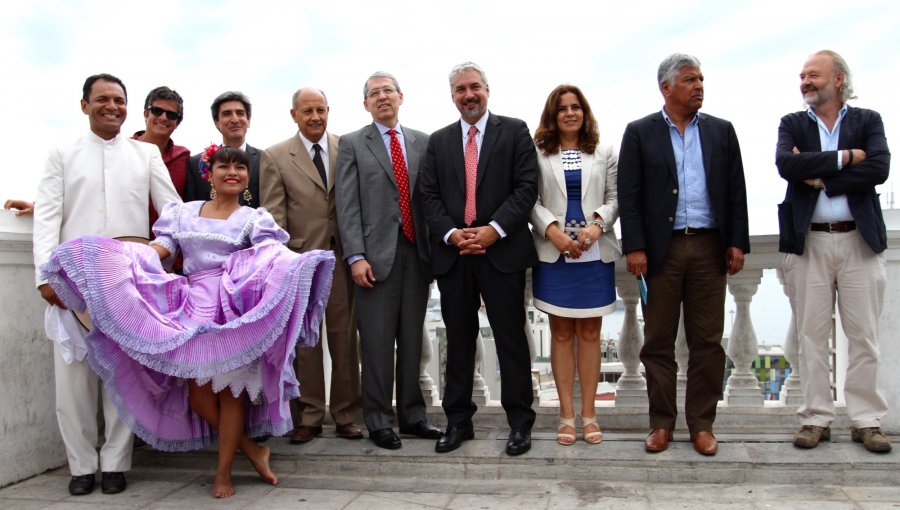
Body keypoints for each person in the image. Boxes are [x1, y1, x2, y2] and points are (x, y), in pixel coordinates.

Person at [41, 146, 336, 498]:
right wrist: (120, 258)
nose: (232, 172)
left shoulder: (255, 218)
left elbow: (270, 256)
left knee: (231, 395)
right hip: (192, 308)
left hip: (233, 310)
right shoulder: (182, 213)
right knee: (198, 396)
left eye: (239, 167)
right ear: (208, 174)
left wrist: (302, 264)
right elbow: (161, 248)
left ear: (246, 177)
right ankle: (253, 450)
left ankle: (223, 473)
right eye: (223, 166)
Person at [32, 73, 182, 496]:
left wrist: (160, 251)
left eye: (119, 100)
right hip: (72, 282)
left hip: (126, 282)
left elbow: (171, 214)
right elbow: (47, 217)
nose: (111, 106)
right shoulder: (62, 153)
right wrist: (45, 277)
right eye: (102, 99)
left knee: (121, 376)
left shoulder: (144, 155)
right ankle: (80, 466)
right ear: (85, 105)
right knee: (74, 380)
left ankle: (116, 463)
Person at [618, 54, 750, 456]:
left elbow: (735, 189)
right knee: (657, 340)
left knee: (707, 342)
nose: (699, 86)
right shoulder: (639, 132)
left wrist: (737, 242)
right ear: (666, 87)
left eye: (701, 79)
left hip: (710, 248)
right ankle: (661, 424)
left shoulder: (721, 131)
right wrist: (635, 247)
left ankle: (702, 425)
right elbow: (630, 193)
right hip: (661, 252)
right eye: (690, 80)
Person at [420, 62, 539, 456]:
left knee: (510, 339)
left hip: (501, 252)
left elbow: (526, 188)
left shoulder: (515, 130)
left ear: (488, 89)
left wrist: (494, 229)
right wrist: (454, 235)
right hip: (455, 256)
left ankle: (520, 423)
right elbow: (429, 197)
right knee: (458, 340)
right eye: (460, 90)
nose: (468, 95)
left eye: (474, 87)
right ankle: (458, 422)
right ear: (452, 96)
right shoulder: (438, 142)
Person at [776, 50, 892, 453]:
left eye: (813, 75)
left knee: (864, 335)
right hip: (810, 241)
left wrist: (823, 179)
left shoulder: (867, 121)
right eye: (802, 76)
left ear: (838, 79)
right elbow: (785, 166)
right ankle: (815, 418)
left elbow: (878, 169)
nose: (805, 82)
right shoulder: (792, 124)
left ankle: (866, 419)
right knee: (811, 335)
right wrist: (845, 159)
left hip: (859, 240)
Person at [335, 72, 441, 450]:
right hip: (374, 260)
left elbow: (431, 199)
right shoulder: (351, 144)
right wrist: (355, 256)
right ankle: (378, 419)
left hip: (417, 255)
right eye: (373, 93)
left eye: (388, 91)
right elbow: (346, 206)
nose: (382, 98)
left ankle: (413, 416)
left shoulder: (423, 143)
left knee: (413, 342)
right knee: (377, 344)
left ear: (401, 97)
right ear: (365, 104)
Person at [260, 88, 364, 443]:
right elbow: (274, 213)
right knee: (305, 342)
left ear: (329, 111)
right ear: (294, 115)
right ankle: (310, 415)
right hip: (300, 261)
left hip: (340, 258)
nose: (315, 117)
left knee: (344, 338)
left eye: (321, 109)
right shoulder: (275, 156)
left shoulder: (346, 147)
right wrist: (282, 260)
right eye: (308, 111)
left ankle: (347, 413)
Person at [530, 84, 620, 445]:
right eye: (562, 108)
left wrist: (597, 225)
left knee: (590, 335)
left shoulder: (605, 152)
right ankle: (566, 415)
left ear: (585, 112)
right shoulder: (537, 154)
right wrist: (552, 231)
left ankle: (590, 415)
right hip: (554, 254)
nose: (570, 113)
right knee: (562, 334)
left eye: (576, 107)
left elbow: (615, 198)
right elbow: (531, 198)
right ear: (552, 116)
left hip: (593, 255)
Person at [184, 91, 260, 208]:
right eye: (227, 114)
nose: (235, 119)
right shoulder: (195, 163)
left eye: (240, 113)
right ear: (216, 122)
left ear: (248, 120)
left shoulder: (265, 160)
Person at [132, 86, 190, 226]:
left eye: (171, 115)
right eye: (157, 111)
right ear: (146, 114)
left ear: (177, 123)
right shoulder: (123, 150)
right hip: (127, 240)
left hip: (167, 243)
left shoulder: (183, 157)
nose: (163, 117)